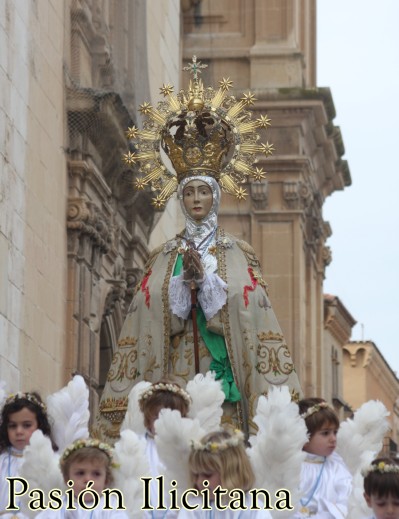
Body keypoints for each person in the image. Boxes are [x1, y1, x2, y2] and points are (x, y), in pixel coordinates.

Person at [96, 56, 302, 442]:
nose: (195, 199)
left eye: (203, 191)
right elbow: (143, 314)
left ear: (217, 196)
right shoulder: (162, 257)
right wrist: (178, 288)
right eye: (188, 191)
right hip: (171, 378)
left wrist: (208, 287)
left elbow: (252, 311)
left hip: (223, 384)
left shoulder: (239, 253)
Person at [177, 429, 273, 518]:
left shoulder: (254, 510)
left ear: (231, 473)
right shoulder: (194, 509)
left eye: (207, 475)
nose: (199, 481)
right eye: (196, 475)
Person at [36, 438, 129, 519]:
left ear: (106, 480)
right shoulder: (57, 506)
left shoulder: (112, 506)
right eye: (80, 473)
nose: (88, 480)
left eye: (96, 474)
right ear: (67, 479)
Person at [139, 379, 191, 519]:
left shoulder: (188, 448)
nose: (163, 422)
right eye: (157, 416)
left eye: (171, 415)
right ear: (148, 419)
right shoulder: (138, 446)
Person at [293, 398, 352, 519]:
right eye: (325, 433)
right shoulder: (290, 466)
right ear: (305, 437)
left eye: (335, 432)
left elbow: (346, 498)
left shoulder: (336, 467)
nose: (333, 438)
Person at [0, 391, 55, 517]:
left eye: (26, 425)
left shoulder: (49, 461)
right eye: (13, 426)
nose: (19, 431)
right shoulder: (1, 462)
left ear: (39, 426)